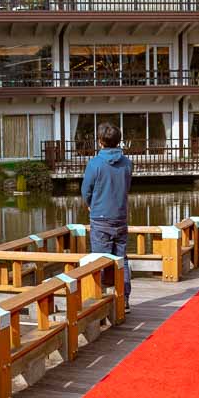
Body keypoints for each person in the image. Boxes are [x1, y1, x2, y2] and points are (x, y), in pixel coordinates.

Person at [81, 122, 133, 313]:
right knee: (121, 259)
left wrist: (90, 204)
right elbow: (126, 187)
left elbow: (86, 189)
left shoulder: (95, 163)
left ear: (100, 141)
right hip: (120, 215)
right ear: (118, 141)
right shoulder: (127, 163)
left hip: (100, 217)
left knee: (99, 260)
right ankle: (124, 298)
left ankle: (100, 301)